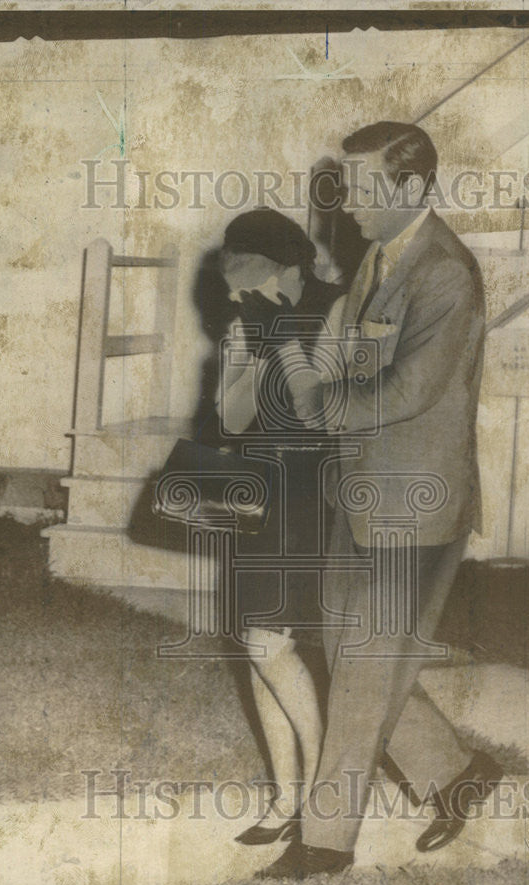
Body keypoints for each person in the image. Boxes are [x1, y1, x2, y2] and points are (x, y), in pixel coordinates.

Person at [258, 122, 502, 879]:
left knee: (362, 675)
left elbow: (408, 387)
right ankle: (456, 774)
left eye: (359, 189)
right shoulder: (376, 258)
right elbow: (357, 367)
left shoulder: (444, 273)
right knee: (349, 658)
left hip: (416, 509)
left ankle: (323, 845)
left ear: (408, 188)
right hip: (359, 495)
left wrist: (314, 404)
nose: (343, 203)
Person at [214, 208, 345, 844]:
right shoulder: (251, 316)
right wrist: (245, 350)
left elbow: (316, 413)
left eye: (252, 287)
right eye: (235, 293)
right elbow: (232, 422)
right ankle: (284, 799)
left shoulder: (334, 308)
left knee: (272, 643)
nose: (241, 301)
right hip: (260, 488)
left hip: (312, 492)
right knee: (257, 643)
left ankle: (324, 795)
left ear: (289, 269)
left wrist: (282, 338)